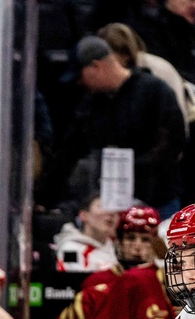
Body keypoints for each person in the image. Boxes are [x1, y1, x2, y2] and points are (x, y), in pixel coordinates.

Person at [53, 35, 185, 213]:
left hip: (156, 201)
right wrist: (47, 196)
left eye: (80, 75)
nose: (79, 83)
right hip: (108, 203)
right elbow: (69, 151)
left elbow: (171, 145)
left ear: (96, 66)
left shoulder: (155, 91)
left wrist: (128, 171)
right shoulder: (92, 103)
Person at [37, 205, 171, 319]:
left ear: (155, 244)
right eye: (130, 238)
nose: (137, 247)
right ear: (118, 241)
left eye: (145, 240)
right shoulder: (97, 282)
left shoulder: (165, 284)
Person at [54, 197, 120, 273]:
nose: (111, 213)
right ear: (84, 215)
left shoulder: (115, 247)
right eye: (102, 206)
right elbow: (72, 281)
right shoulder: (70, 250)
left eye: (115, 210)